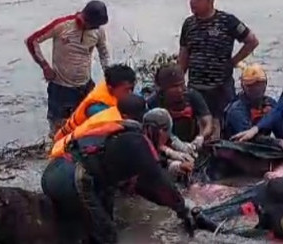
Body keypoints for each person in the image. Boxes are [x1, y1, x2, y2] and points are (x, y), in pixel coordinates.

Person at [41, 94, 197, 244]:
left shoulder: (122, 133)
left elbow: (144, 187)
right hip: (71, 178)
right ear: (160, 131)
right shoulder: (138, 143)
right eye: (166, 137)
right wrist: (183, 210)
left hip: (56, 170)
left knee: (84, 228)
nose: (165, 142)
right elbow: (160, 183)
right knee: (107, 235)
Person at [178, 0, 259, 140]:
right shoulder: (188, 24)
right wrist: (179, 79)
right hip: (196, 86)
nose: (192, 3)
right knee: (199, 126)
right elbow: (184, 54)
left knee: (224, 125)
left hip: (221, 86)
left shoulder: (227, 21)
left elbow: (252, 41)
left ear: (210, 0)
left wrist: (234, 61)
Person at [25, 0, 111, 136]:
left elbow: (104, 54)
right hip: (61, 87)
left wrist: (109, 76)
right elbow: (32, 41)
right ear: (84, 18)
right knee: (58, 127)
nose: (93, 28)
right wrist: (45, 66)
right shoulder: (62, 25)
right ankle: (56, 150)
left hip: (85, 86)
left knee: (86, 124)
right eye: (91, 25)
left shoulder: (98, 31)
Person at [54, 64, 137, 142]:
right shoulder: (97, 109)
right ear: (110, 88)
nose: (130, 93)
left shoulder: (113, 89)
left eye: (132, 89)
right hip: (71, 144)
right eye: (126, 90)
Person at [147, 64, 214, 147]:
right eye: (174, 86)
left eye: (181, 84)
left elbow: (207, 122)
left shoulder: (192, 96)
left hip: (192, 144)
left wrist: (201, 137)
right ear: (163, 88)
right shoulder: (154, 101)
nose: (180, 90)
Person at [223, 63, 283, 141]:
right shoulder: (236, 109)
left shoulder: (270, 103)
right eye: (250, 85)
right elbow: (248, 138)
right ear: (243, 86)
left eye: (259, 84)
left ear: (266, 84)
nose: (256, 89)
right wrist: (279, 142)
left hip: (263, 147)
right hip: (238, 148)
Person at [143, 108, 195, 179]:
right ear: (161, 132)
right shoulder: (143, 148)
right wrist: (173, 167)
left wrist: (177, 165)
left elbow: (161, 160)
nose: (168, 137)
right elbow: (155, 171)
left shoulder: (144, 140)